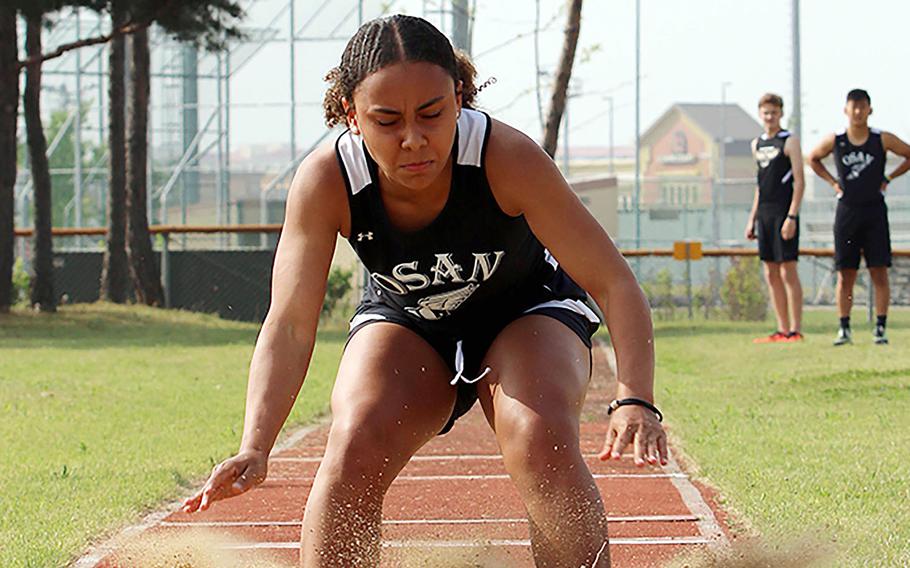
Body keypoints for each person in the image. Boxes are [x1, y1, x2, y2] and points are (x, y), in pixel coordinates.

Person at [181, 15, 667, 567]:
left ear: (460, 97)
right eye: (386, 121)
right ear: (350, 114)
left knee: (539, 437)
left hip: (527, 310)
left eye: (432, 115)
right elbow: (290, 322)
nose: (414, 139)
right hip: (408, 318)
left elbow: (614, 281)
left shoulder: (507, 158)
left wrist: (636, 398)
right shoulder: (328, 181)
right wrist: (256, 442)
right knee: (354, 441)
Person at [808, 89, 910, 346]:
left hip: (874, 210)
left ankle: (880, 327)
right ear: (845, 110)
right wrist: (833, 183)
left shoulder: (881, 139)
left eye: (862, 107)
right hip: (847, 212)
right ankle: (844, 327)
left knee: (879, 270)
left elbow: (908, 154)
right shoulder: (837, 140)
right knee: (846, 272)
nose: (857, 112)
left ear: (869, 110)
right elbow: (813, 158)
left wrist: (888, 178)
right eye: (853, 107)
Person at [745, 93, 806, 343]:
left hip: (784, 211)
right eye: (766, 113)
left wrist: (792, 215)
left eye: (774, 112)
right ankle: (781, 329)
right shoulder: (756, 144)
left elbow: (800, 182)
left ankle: (796, 329)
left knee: (787, 270)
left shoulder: (789, 142)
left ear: (780, 113)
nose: (770, 117)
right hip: (765, 213)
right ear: (760, 114)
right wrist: (752, 218)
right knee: (770, 272)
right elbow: (760, 186)